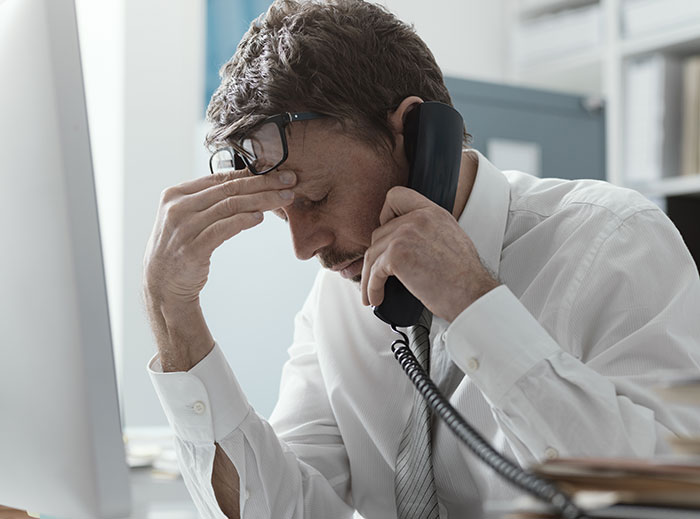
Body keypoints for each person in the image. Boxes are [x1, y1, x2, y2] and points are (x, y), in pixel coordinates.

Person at [143, 1, 700, 518]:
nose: (304, 247)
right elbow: (284, 510)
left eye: (316, 199)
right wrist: (174, 319)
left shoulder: (614, 240)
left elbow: (659, 494)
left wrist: (473, 303)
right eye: (285, 214)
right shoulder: (338, 299)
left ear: (414, 134)